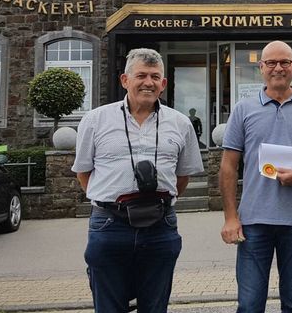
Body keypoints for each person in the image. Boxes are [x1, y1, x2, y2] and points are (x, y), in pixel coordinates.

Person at [72, 48, 204, 313]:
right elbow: (83, 172)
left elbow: (183, 176)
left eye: (155, 77)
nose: (148, 82)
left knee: (155, 306)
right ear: (125, 80)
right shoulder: (96, 120)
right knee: (109, 307)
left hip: (161, 225)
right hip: (110, 224)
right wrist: (110, 201)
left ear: (163, 83)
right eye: (141, 75)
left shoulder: (180, 124)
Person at [219, 40, 292, 313]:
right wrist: (230, 217)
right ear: (261, 67)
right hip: (253, 221)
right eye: (271, 63)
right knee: (249, 306)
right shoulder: (243, 109)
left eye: (284, 62)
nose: (278, 68)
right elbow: (228, 166)